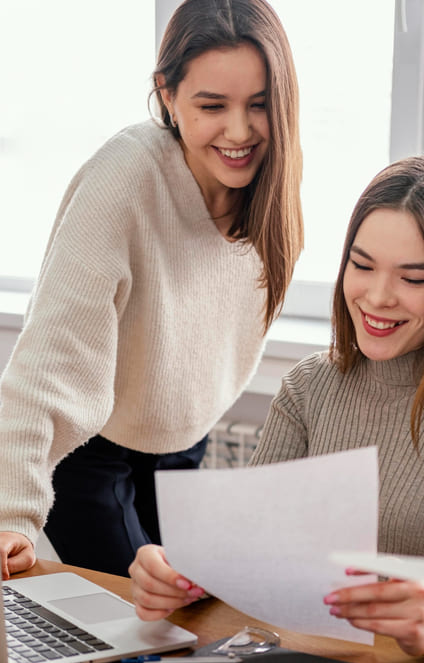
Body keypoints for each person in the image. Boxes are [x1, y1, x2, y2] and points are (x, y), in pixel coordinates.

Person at [128, 155, 424, 663]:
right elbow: (249, 554)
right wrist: (186, 578)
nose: (377, 297)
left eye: (414, 279)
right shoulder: (310, 387)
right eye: (362, 266)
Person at [0, 0, 303, 579]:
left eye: (260, 105)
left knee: (196, 611)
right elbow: (45, 361)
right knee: (147, 620)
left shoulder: (272, 187)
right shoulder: (126, 180)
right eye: (211, 105)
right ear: (167, 94)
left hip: (182, 443)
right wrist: (12, 513)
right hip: (94, 449)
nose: (240, 131)